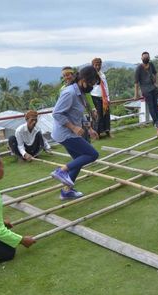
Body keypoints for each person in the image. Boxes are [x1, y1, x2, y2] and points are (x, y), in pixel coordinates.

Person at [50, 65, 100, 200]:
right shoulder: (69, 93)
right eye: (90, 83)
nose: (91, 86)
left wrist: (89, 129)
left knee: (78, 161)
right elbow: (57, 114)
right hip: (65, 133)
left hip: (69, 133)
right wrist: (73, 127)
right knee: (93, 154)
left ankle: (66, 191)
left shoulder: (80, 93)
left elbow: (79, 115)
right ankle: (61, 171)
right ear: (83, 79)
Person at [134, 51, 158, 127]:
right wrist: (136, 94)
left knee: (156, 105)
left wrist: (156, 83)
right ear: (141, 58)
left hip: (153, 88)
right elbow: (136, 82)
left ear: (149, 58)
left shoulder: (151, 64)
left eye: (147, 57)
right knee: (151, 106)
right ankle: (156, 122)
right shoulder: (139, 68)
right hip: (145, 90)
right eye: (144, 57)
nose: (146, 58)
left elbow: (155, 73)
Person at [91, 58, 111, 138]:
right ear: (93, 65)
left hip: (104, 97)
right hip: (95, 97)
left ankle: (107, 131)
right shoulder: (91, 75)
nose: (97, 66)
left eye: (99, 65)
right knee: (98, 116)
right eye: (96, 65)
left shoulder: (102, 75)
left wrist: (108, 98)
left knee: (106, 115)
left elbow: (106, 87)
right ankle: (97, 134)